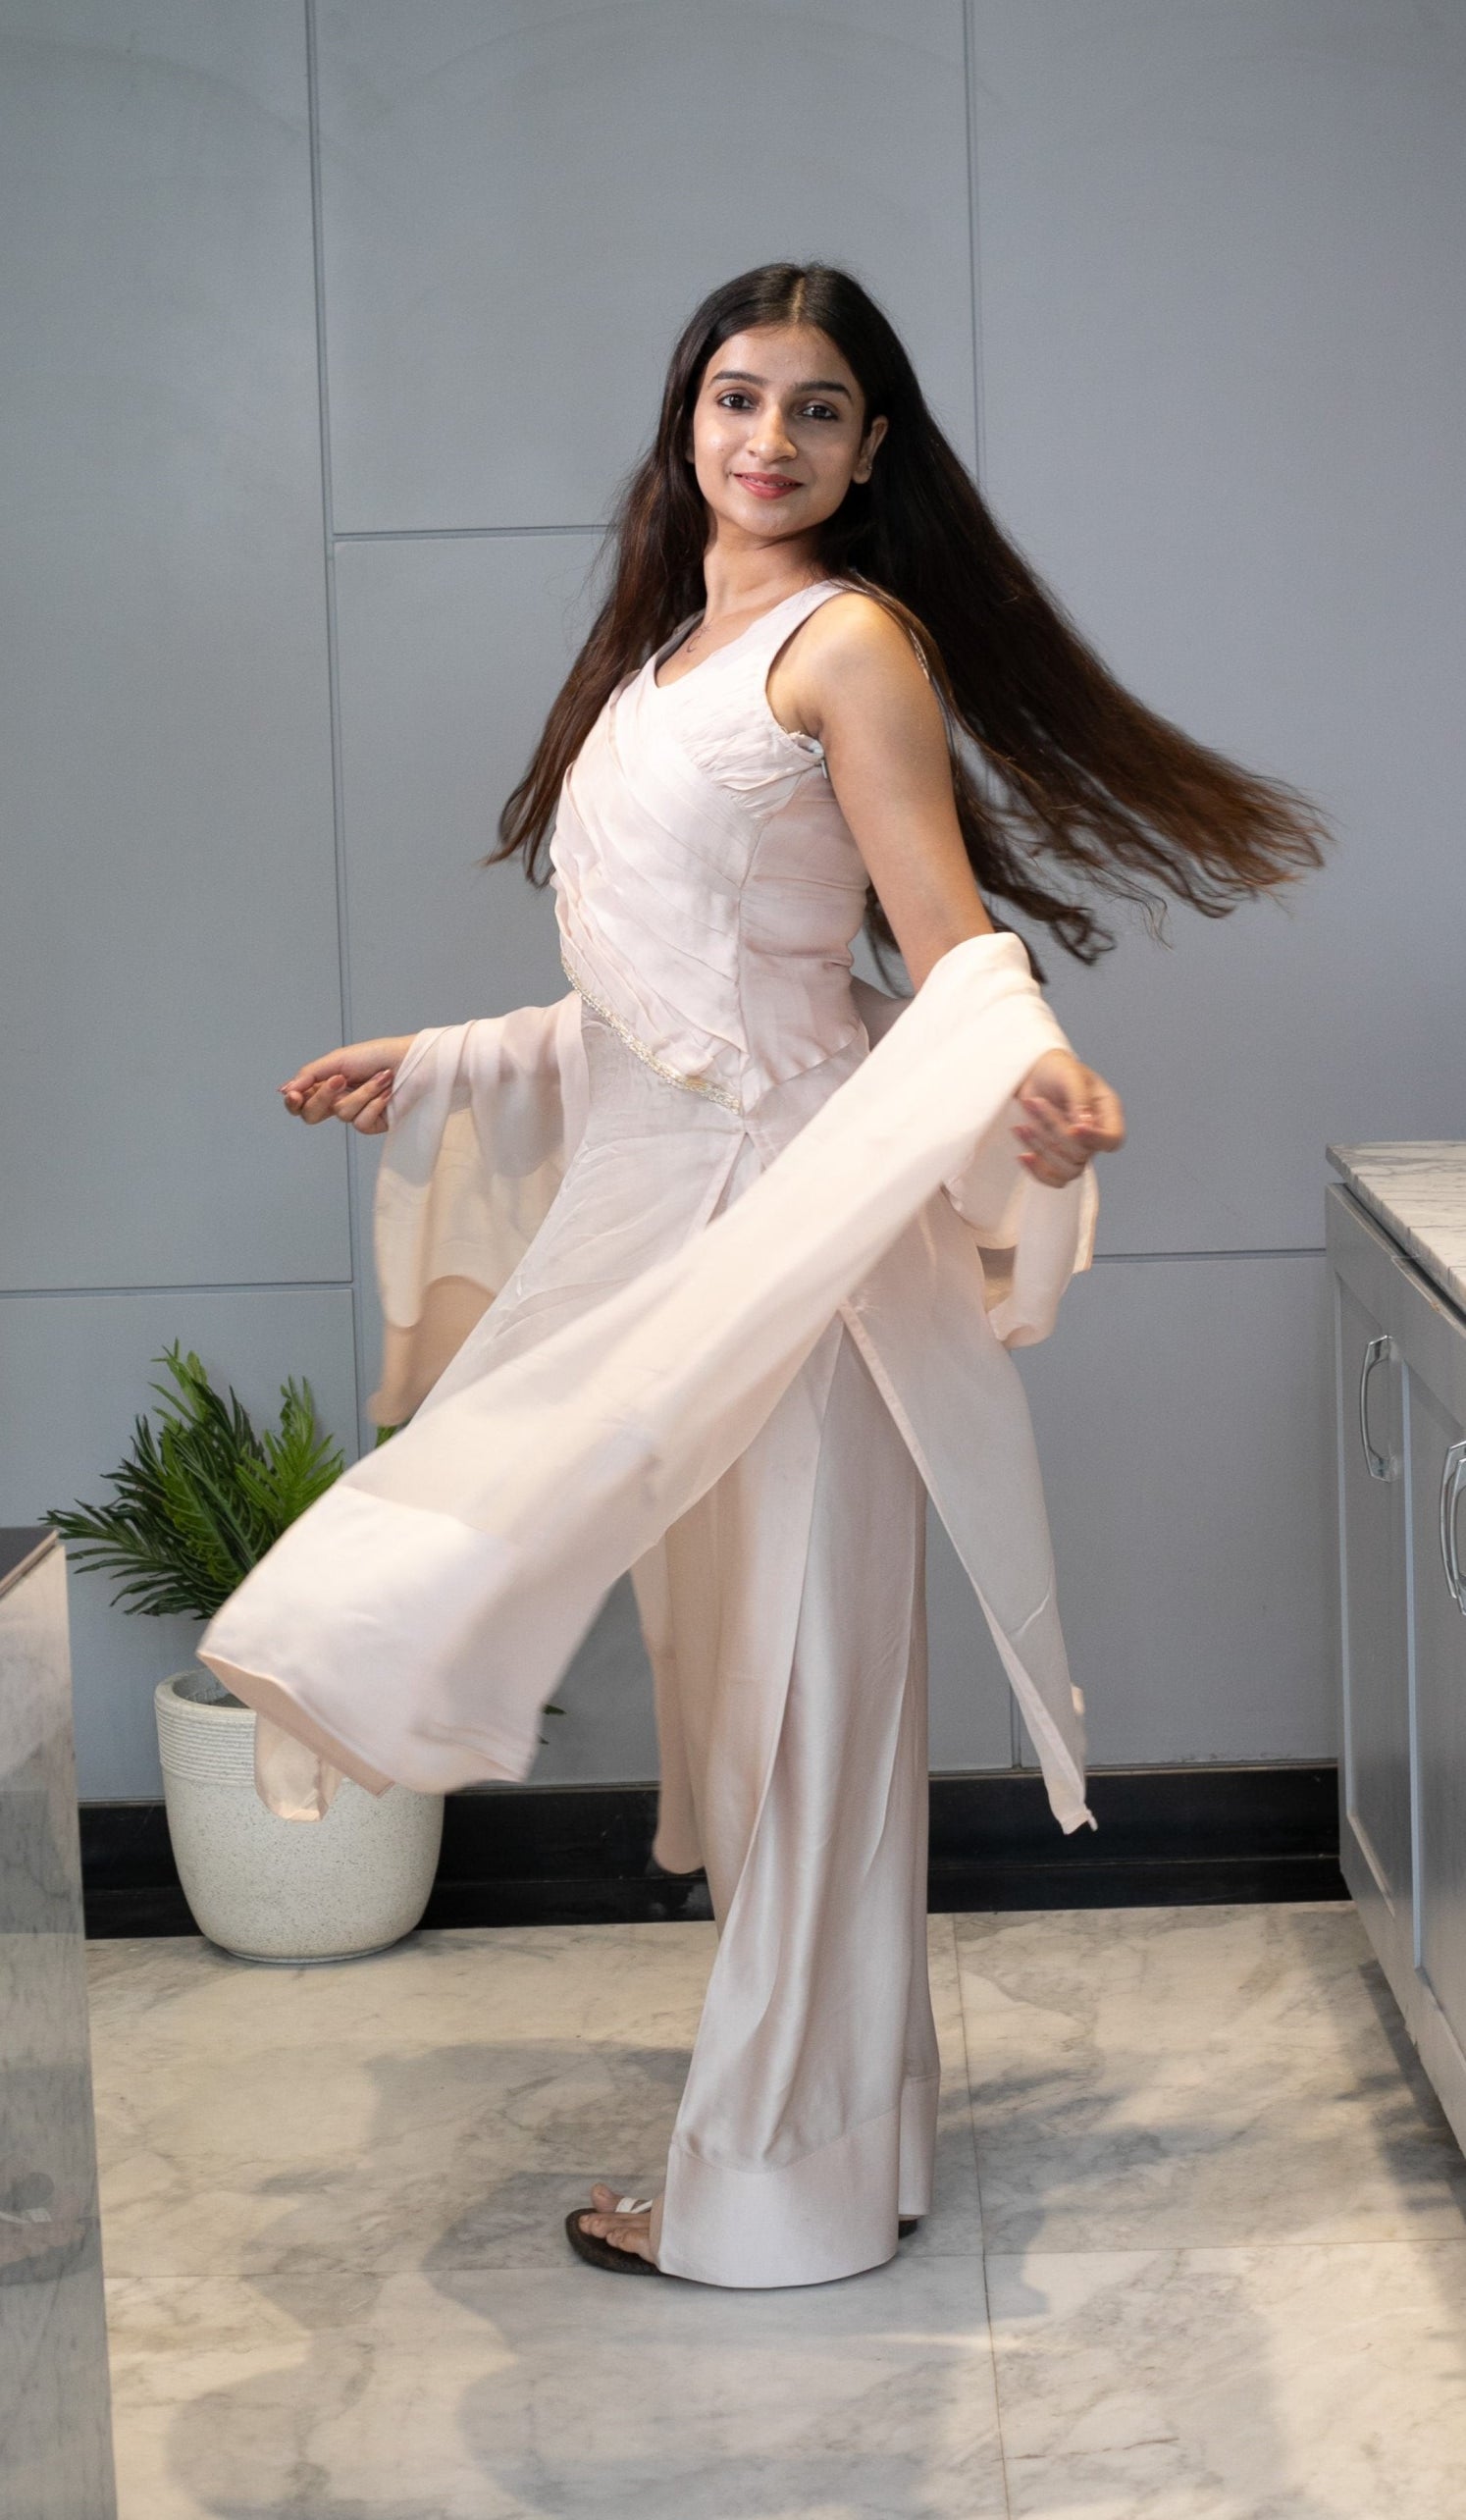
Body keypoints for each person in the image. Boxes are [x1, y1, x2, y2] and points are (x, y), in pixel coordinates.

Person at [200, 264, 1324, 2288]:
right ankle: (842, 2151)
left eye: (820, 410)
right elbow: (667, 1002)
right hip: (666, 1238)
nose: (772, 440)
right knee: (757, 1708)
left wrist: (1034, 1064)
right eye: (740, 398)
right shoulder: (656, 667)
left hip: (791, 1248)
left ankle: (768, 2202)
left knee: (804, 1709)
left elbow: (934, 933)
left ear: (872, 447)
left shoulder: (850, 643)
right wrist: (448, 1061)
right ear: (685, 422)